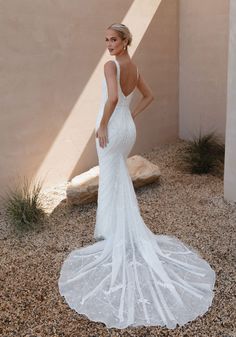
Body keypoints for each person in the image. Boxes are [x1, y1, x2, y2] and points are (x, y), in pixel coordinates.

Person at [58, 23, 215, 329]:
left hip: (113, 129)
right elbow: (149, 96)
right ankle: (119, 229)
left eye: (113, 39)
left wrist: (103, 125)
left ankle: (114, 232)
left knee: (112, 178)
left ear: (125, 40)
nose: (109, 44)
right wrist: (130, 118)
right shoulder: (134, 66)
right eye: (106, 39)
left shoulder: (110, 65)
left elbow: (113, 99)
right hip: (127, 130)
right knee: (117, 178)